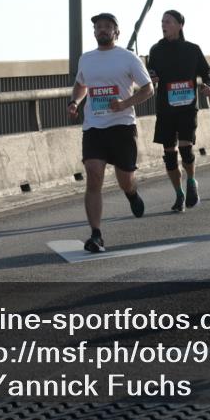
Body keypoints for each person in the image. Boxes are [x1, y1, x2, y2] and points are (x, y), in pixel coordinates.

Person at [68, 13, 154, 253]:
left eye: (107, 26)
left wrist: (124, 103)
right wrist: (75, 101)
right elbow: (81, 84)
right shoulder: (86, 59)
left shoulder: (128, 58)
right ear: (94, 32)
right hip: (94, 127)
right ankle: (96, 235)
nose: (102, 30)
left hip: (122, 126)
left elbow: (148, 88)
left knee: (125, 179)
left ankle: (132, 193)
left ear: (117, 32)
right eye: (98, 27)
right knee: (94, 174)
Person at [146, 10, 210, 211]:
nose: (163, 25)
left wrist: (208, 86)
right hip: (166, 108)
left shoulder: (192, 50)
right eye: (162, 21)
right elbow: (151, 74)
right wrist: (152, 77)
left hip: (187, 107)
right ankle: (178, 194)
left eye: (168, 21)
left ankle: (192, 182)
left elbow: (206, 72)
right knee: (169, 154)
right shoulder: (156, 50)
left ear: (179, 25)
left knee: (185, 148)